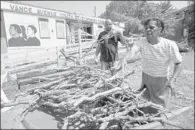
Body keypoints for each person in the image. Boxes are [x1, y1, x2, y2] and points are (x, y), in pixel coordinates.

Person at [119, 18, 183, 112]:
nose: (148, 29)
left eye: (151, 27)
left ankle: (156, 123)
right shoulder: (141, 42)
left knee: (158, 106)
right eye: (146, 28)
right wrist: (125, 59)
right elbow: (133, 51)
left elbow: (179, 63)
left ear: (160, 29)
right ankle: (145, 120)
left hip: (161, 79)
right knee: (144, 101)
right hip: (146, 77)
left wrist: (172, 80)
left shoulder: (169, 45)